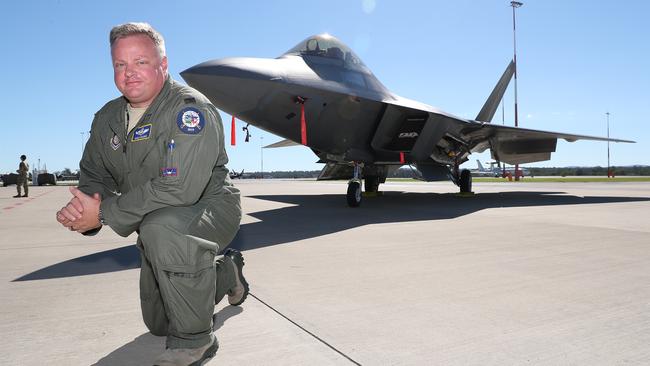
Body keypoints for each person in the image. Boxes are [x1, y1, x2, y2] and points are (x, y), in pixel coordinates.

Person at [55, 22, 247, 366]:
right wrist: (85, 207)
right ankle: (227, 273)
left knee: (163, 231)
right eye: (120, 65)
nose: (129, 74)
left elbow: (180, 188)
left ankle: (196, 341)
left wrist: (101, 214)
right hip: (156, 219)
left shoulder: (189, 110)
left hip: (209, 207)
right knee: (159, 324)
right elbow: (94, 174)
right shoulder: (108, 118)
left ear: (163, 65)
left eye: (140, 62)